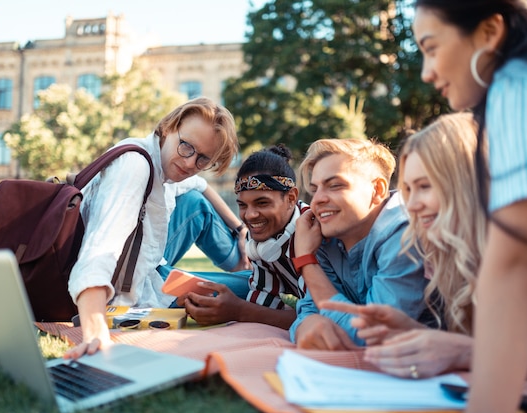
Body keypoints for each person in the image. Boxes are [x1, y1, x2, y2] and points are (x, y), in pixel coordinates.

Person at [322, 113, 527, 382]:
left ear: (469, 182)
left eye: (425, 186)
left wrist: (466, 353)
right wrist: (413, 332)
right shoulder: (450, 258)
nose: (411, 205)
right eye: (408, 190)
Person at [409, 1, 527, 413]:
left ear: (489, 33)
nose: (426, 72)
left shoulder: (522, 83)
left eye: (431, 47)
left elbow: (516, 264)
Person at [64, 97, 240, 359]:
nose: (191, 164)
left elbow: (199, 186)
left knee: (196, 204)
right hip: (127, 290)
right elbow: (100, 250)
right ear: (169, 127)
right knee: (249, 292)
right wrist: (96, 329)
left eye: (203, 159)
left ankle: (250, 266)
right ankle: (258, 271)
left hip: (148, 271)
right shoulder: (135, 166)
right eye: (186, 147)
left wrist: (240, 228)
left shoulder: (165, 165)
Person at [289, 138, 429, 350]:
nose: (316, 200)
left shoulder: (405, 233)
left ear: (378, 190)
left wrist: (306, 261)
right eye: (314, 189)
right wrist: (306, 326)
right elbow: (309, 309)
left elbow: (373, 336)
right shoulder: (327, 237)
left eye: (335, 185)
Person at [183, 145, 309, 330]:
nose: (250, 215)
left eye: (262, 203)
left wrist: (240, 311)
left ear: (291, 198)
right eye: (243, 205)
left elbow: (319, 319)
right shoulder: (260, 238)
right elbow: (263, 302)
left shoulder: (314, 233)